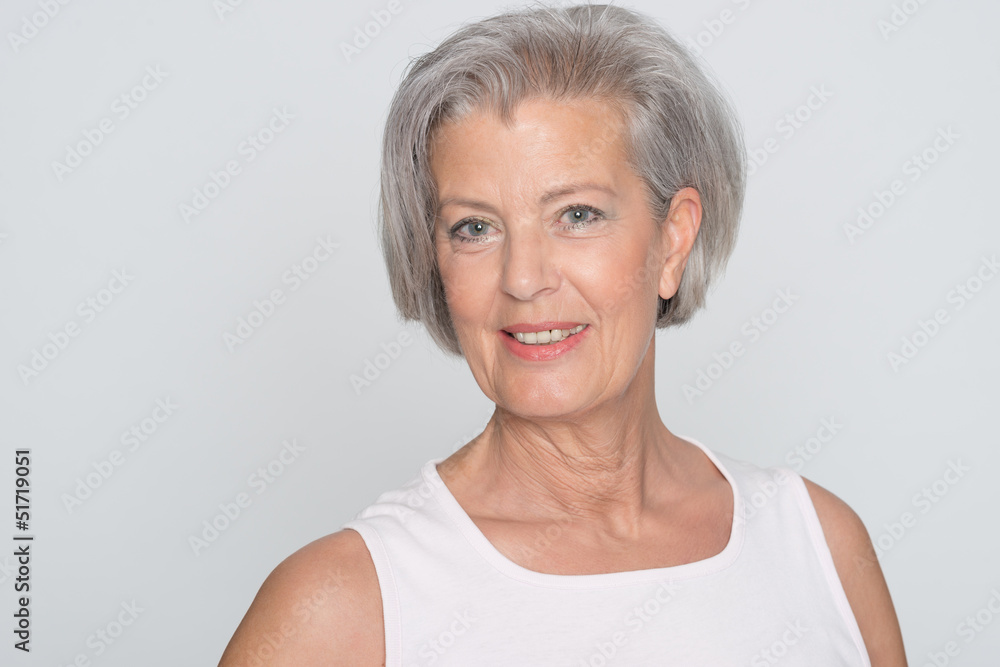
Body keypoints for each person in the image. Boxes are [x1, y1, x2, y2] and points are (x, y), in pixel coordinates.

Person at [219, 4, 907, 665]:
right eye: (475, 228)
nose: (523, 278)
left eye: (577, 215)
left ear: (673, 240)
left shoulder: (819, 545)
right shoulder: (341, 606)